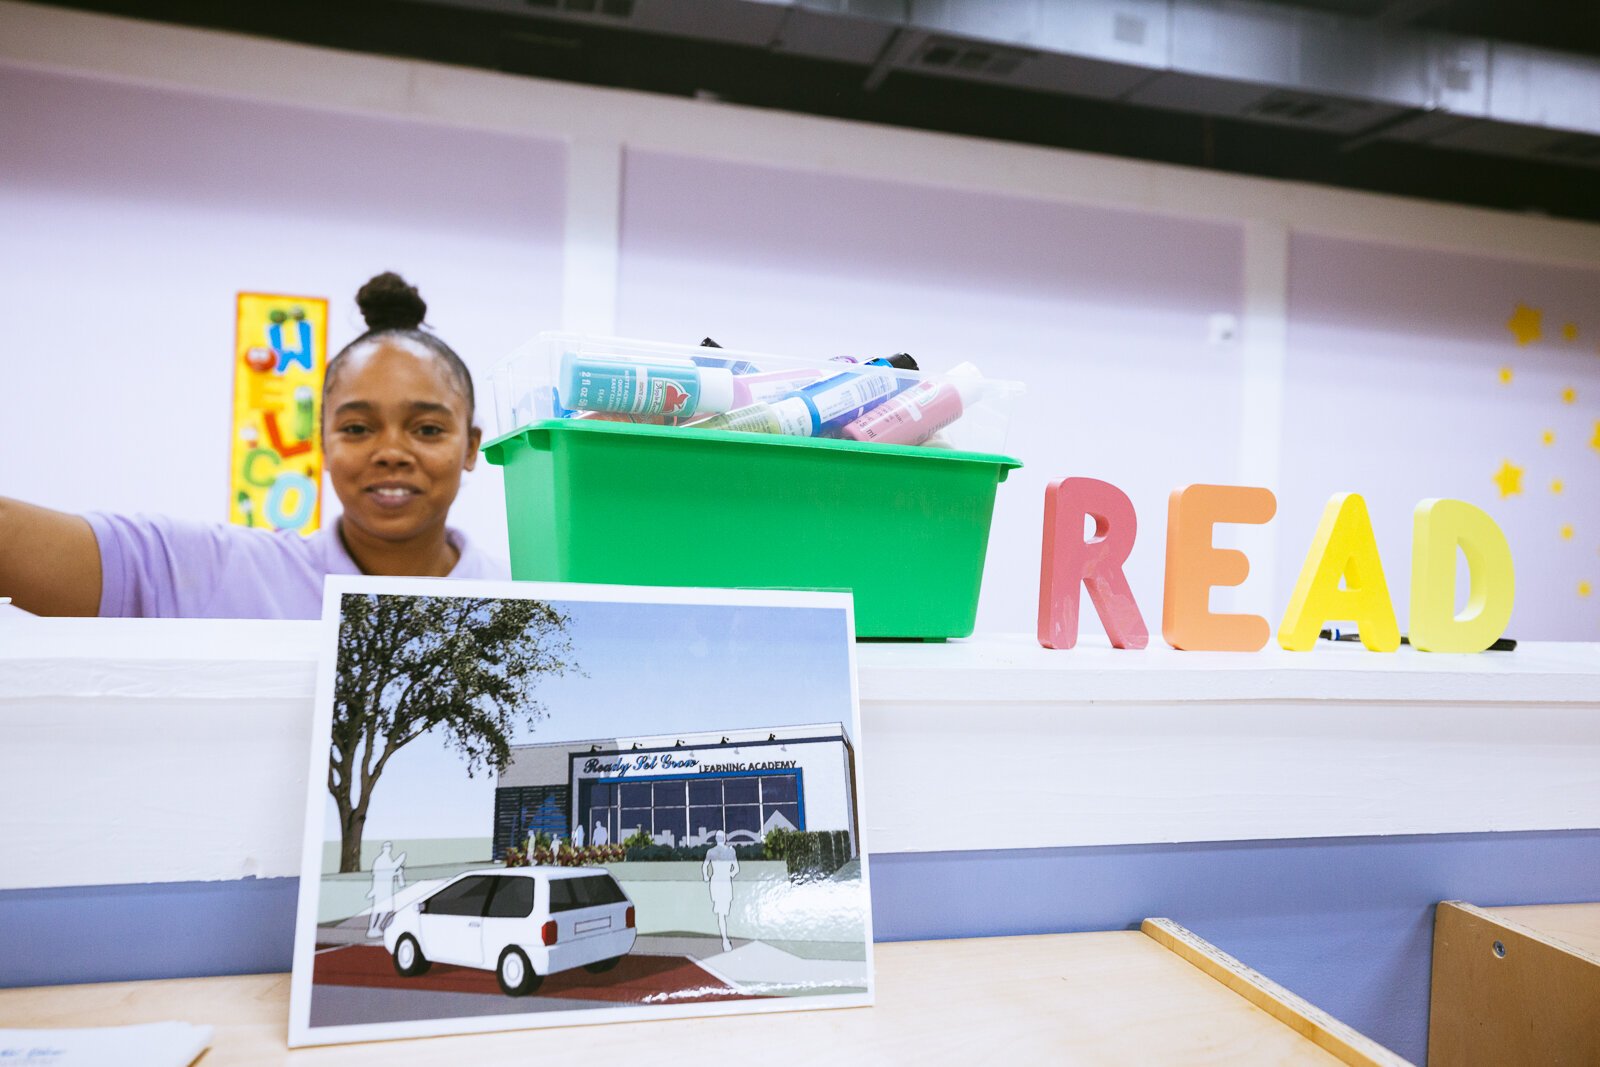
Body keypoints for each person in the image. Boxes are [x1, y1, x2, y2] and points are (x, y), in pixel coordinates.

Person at [0, 272, 505, 618]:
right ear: (323, 445)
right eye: (356, 428)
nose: (391, 451)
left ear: (470, 447)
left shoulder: (524, 596)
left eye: (427, 429)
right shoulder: (217, 573)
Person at [701, 830, 740, 952]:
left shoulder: (711, 852)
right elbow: (736, 869)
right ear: (724, 838)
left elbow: (704, 866)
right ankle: (725, 939)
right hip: (725, 882)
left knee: (721, 914)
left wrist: (706, 876)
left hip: (716, 882)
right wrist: (730, 874)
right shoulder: (730, 851)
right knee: (725, 911)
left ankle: (724, 938)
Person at [365, 841, 407, 938]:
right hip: (381, 888)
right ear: (384, 848)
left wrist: (397, 872)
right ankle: (372, 928)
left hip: (386, 888)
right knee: (379, 909)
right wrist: (398, 866)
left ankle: (376, 928)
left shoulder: (387, 859)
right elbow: (383, 873)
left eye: (389, 847)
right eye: (387, 847)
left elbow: (389, 872)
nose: (388, 849)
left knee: (385, 909)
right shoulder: (381, 860)